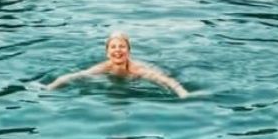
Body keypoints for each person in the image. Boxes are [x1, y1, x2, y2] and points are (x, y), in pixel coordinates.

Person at [46, 31, 189, 98]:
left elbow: (166, 80)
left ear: (128, 51)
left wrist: (182, 92)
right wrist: (50, 87)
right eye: (113, 47)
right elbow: (75, 76)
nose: (117, 50)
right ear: (107, 52)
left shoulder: (137, 69)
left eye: (122, 46)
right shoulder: (103, 68)